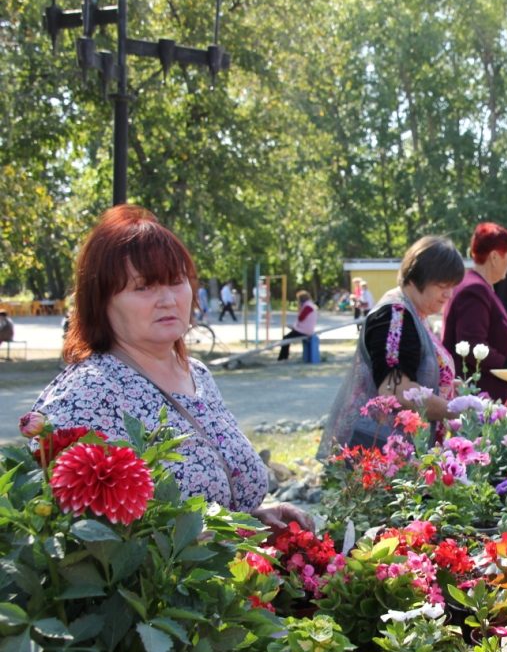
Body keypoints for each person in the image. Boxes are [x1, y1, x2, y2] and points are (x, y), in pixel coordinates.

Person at [31, 205, 308, 532]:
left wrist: (253, 520)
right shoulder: (89, 393)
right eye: (143, 287)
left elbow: (214, 500)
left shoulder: (197, 374)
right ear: (101, 300)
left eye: (176, 282)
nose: (167, 299)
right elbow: (73, 539)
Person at [319, 236, 465, 455]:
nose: (449, 293)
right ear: (417, 278)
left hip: (398, 453)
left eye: (452, 286)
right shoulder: (395, 317)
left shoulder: (413, 313)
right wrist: (456, 409)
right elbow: (396, 391)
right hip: (380, 454)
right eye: (442, 284)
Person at [442, 223, 507, 401]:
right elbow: (472, 343)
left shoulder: (480, 286)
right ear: (493, 257)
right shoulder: (475, 289)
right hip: (477, 395)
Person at [278, 290, 318, 361]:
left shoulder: (307, 306)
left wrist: (299, 308)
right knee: (287, 338)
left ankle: (283, 357)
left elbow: (301, 318)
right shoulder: (309, 305)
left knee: (286, 338)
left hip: (304, 330)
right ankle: (283, 356)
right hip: (305, 329)